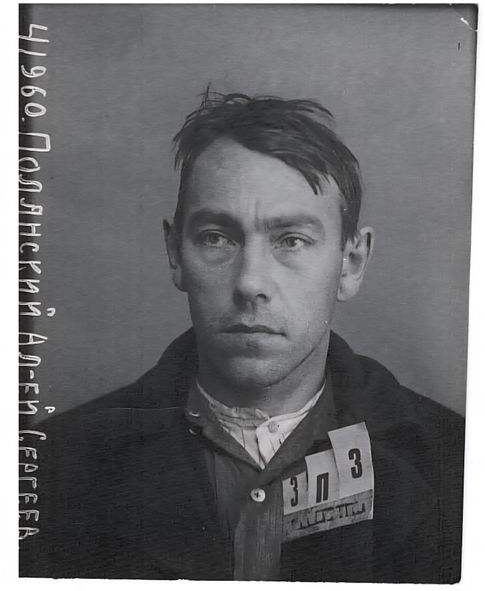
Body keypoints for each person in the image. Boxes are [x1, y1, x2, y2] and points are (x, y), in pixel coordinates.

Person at [19, 91, 465, 582]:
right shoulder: (47, 467)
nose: (250, 283)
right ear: (175, 254)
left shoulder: (461, 463)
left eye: (291, 240)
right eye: (217, 237)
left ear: (351, 264)